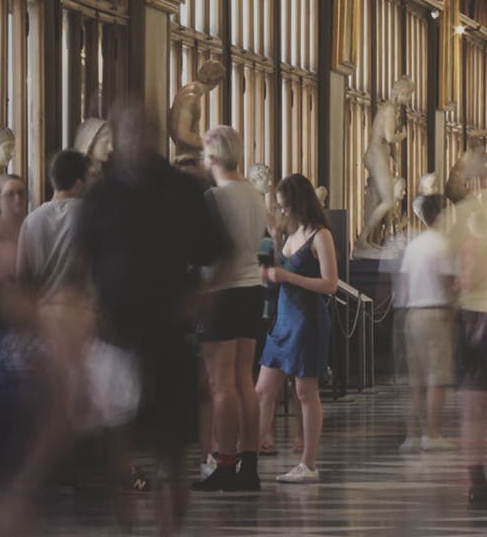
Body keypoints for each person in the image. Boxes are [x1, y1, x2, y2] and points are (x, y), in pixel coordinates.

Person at [77, 105, 229, 531]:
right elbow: (80, 260)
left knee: (170, 452)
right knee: (117, 453)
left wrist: (199, 296)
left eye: (143, 130)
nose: (134, 139)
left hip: (167, 338)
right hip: (115, 337)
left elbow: (217, 254)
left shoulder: (183, 190)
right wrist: (86, 313)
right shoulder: (102, 196)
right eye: (126, 131)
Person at [192, 126, 269, 492]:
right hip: (251, 289)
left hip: (221, 292)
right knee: (244, 380)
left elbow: (205, 251)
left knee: (220, 382)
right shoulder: (255, 196)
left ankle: (225, 463)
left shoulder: (214, 198)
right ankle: (249, 464)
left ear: (214, 157)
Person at [254, 174, 339, 484]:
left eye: (285, 206)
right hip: (283, 319)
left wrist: (286, 277)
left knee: (305, 391)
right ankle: (249, 453)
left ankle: (308, 462)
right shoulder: (291, 234)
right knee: (263, 390)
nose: (282, 211)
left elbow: (330, 284)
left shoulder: (320, 235)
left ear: (298, 203)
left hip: (308, 320)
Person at [396, 194, 459, 453]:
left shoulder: (414, 244)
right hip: (436, 312)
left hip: (413, 313)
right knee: (436, 377)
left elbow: (405, 285)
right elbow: (447, 283)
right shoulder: (443, 245)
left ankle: (412, 435)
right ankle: (432, 434)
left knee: (415, 379)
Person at [16, 151, 90, 303]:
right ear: (79, 183)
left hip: (42, 315)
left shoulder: (30, 220)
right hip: (80, 312)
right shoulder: (89, 214)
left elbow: (22, 278)